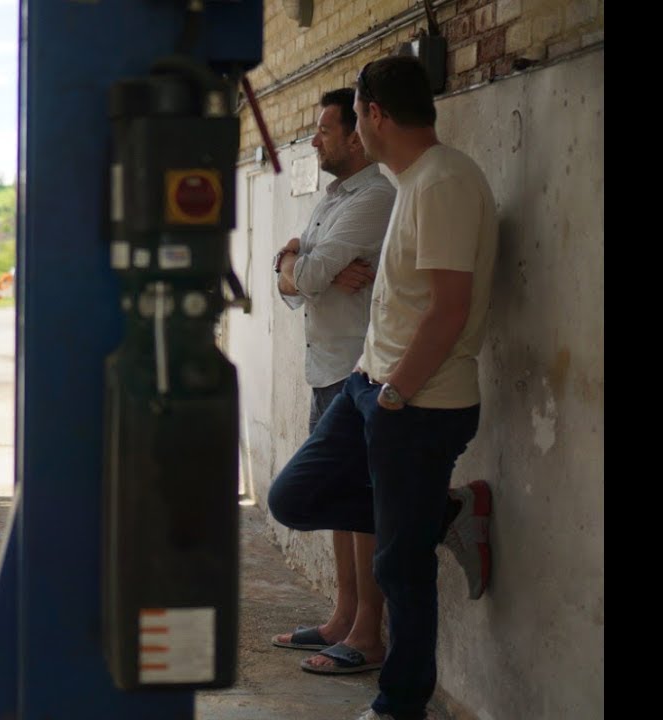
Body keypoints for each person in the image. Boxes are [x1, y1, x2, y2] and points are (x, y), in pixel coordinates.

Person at [266, 55, 498, 720]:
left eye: (354, 117)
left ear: (373, 115)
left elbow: (450, 308)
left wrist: (396, 393)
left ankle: (400, 705)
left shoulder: (444, 182)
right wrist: (376, 387)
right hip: (370, 388)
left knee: (400, 568)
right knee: (295, 495)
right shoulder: (414, 179)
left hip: (417, 404)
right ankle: (442, 515)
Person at [268, 88, 396, 678]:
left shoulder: (374, 197)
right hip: (326, 368)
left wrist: (296, 265)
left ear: (355, 136)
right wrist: (297, 270)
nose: (314, 139)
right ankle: (343, 615)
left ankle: (368, 633)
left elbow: (304, 271)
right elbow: (294, 282)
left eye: (324, 129)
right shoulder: (332, 198)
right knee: (344, 503)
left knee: (362, 503)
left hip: (358, 369)